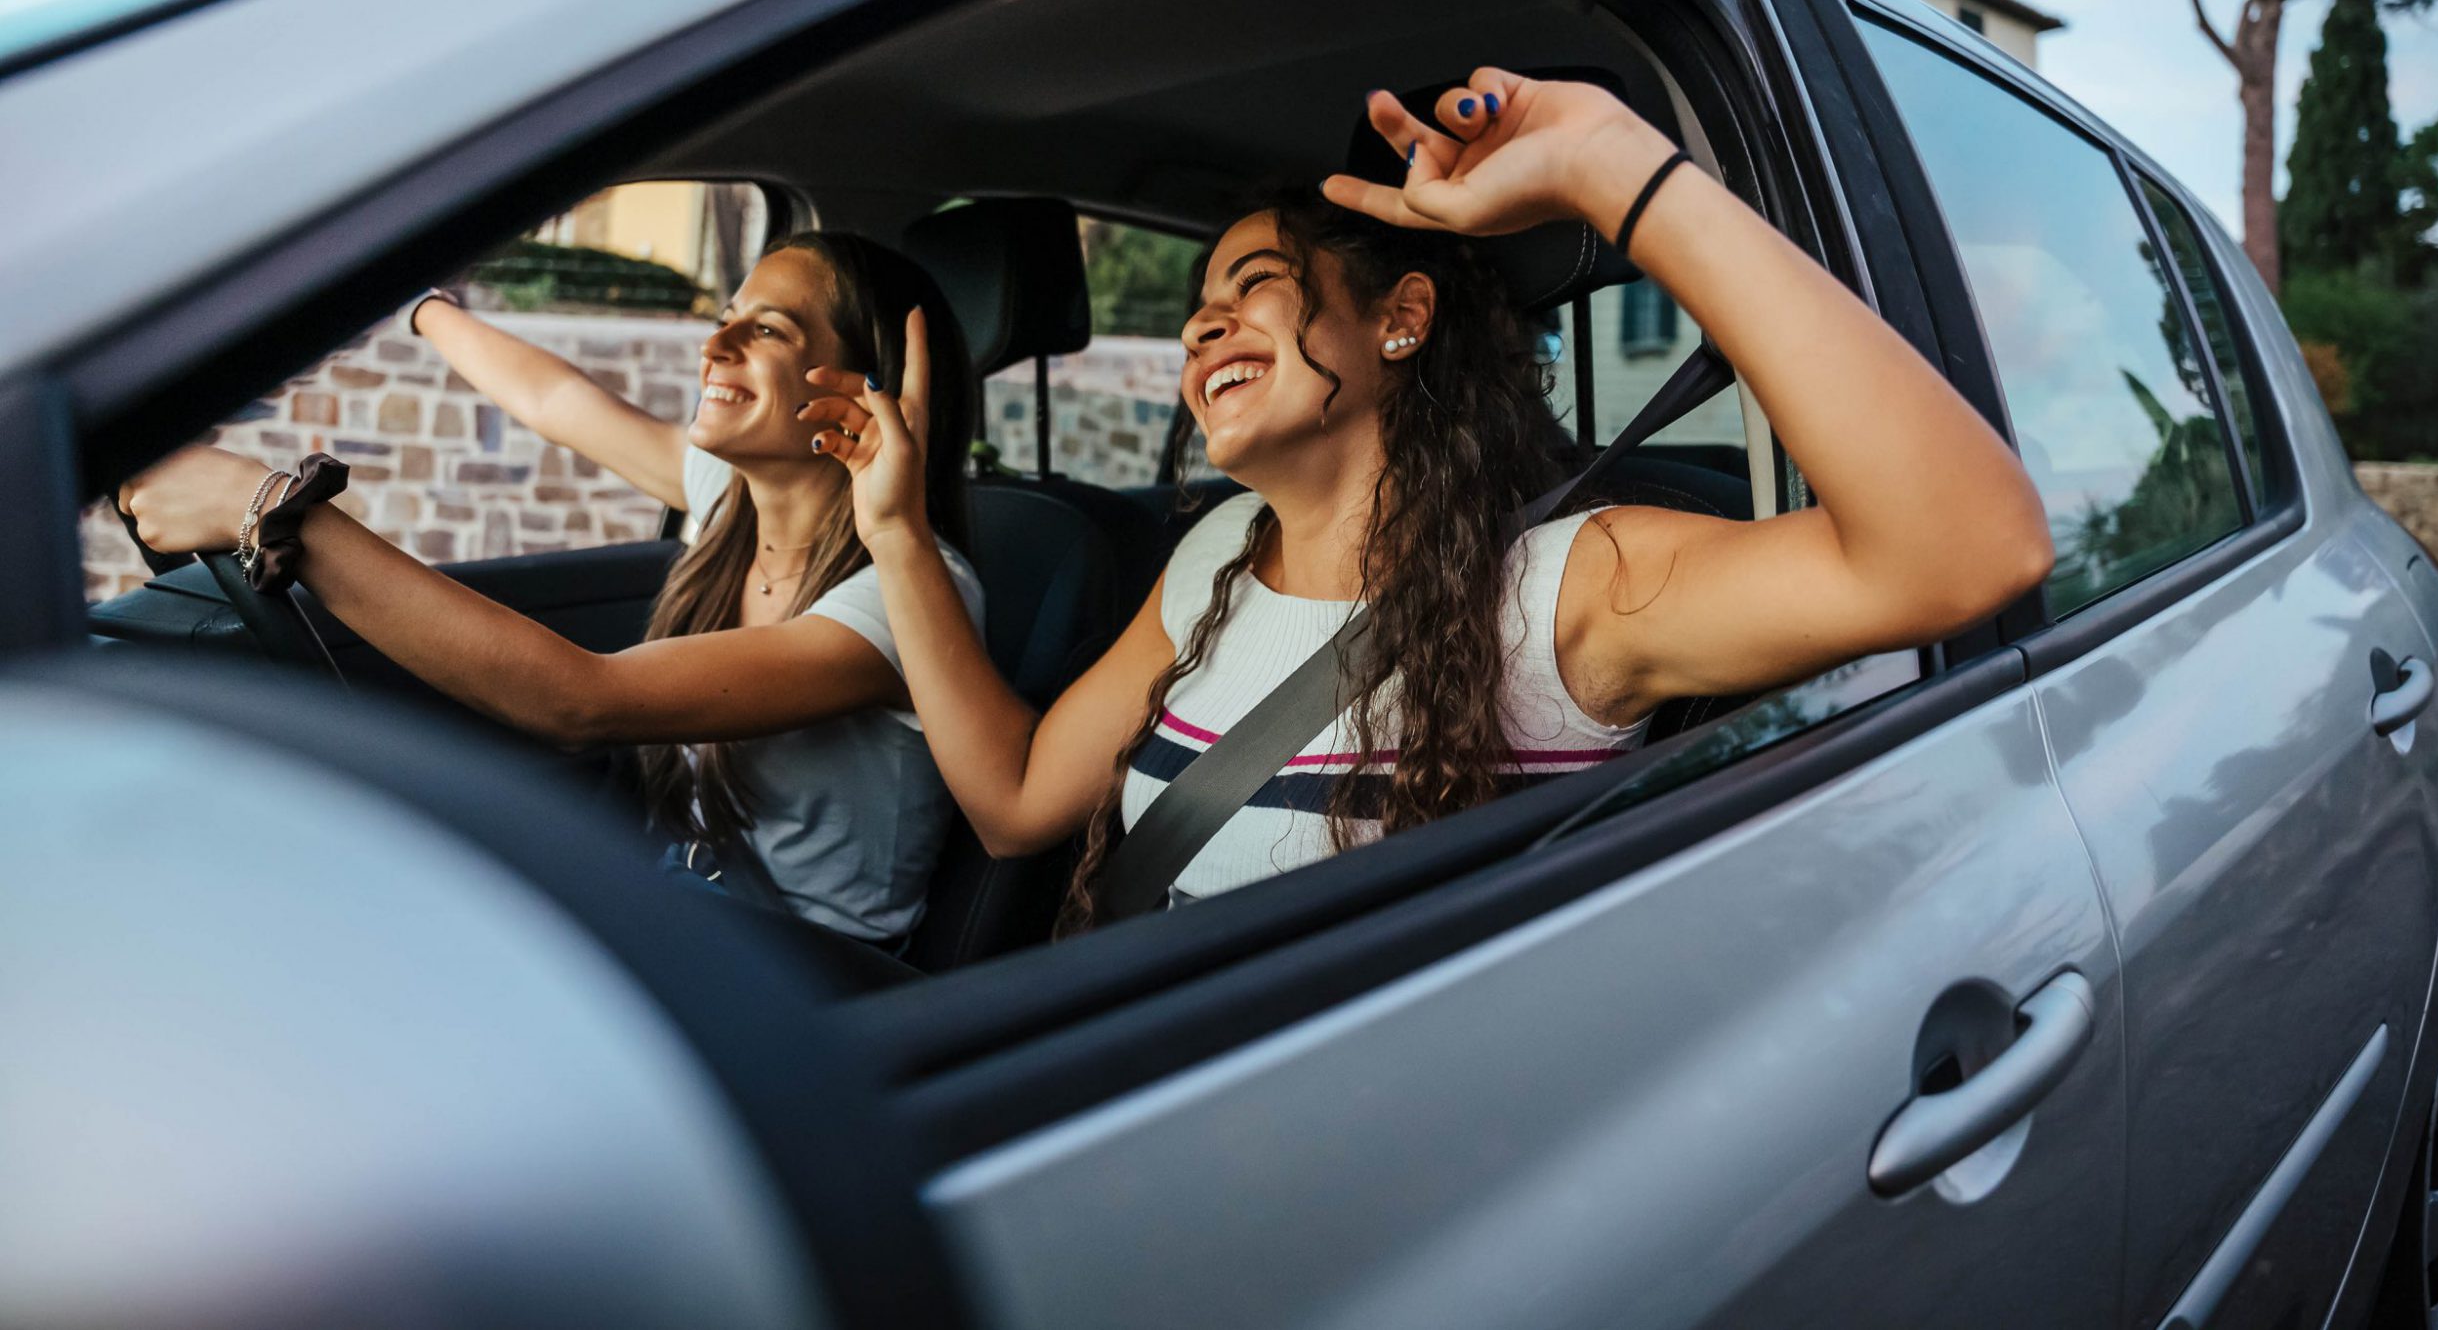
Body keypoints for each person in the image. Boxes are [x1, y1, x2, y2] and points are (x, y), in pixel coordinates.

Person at [805, 67, 2058, 928]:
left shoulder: (1576, 587)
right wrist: (899, 532)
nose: (1200, 321)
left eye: (1253, 283)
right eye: (1199, 304)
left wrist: (1613, 167)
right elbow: (1017, 807)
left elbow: (1969, 550)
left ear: (1401, 321)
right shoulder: (1214, 560)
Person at [119, 230, 984, 947]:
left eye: (768, 330)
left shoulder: (906, 590)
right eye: (725, 317)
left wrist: (272, 508)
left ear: (867, 394)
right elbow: (553, 397)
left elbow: (581, 699)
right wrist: (413, 303)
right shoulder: (731, 500)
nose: (713, 346)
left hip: (814, 977)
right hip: (684, 910)